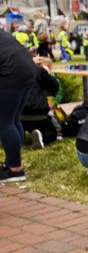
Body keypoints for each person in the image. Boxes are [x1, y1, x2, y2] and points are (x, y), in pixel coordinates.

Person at [0, 29, 39, 183]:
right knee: (13, 119)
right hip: (27, 69)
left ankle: (15, 170)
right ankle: (12, 163)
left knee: (3, 122)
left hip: (11, 73)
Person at [20, 58, 62, 149]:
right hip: (39, 114)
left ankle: (17, 136)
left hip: (18, 115)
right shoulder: (39, 71)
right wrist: (48, 74)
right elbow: (55, 87)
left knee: (16, 126)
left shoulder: (11, 70)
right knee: (52, 133)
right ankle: (42, 136)